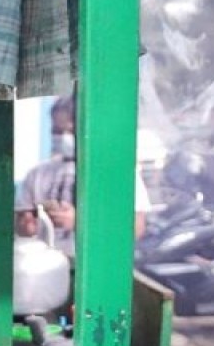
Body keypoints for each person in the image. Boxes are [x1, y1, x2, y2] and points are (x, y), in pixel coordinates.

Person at [16, 95, 150, 252]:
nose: (63, 137)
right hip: (47, 267)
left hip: (96, 268)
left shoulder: (118, 173)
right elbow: (21, 223)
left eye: (70, 131)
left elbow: (136, 228)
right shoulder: (37, 174)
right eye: (57, 131)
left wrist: (80, 223)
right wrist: (28, 226)